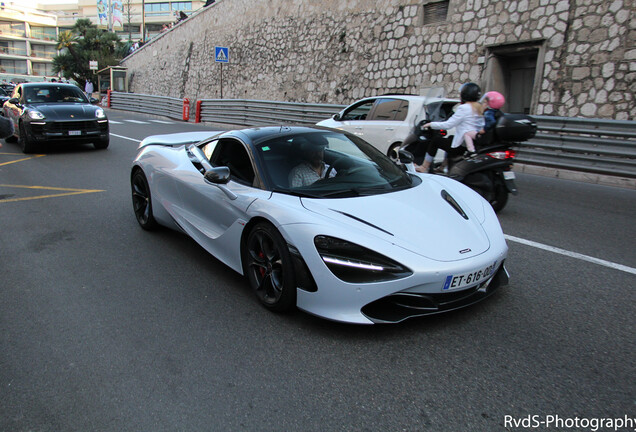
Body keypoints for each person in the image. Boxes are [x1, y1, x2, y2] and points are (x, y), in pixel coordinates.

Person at [415, 82, 485, 173]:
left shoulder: (464, 108)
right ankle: (443, 166)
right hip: (473, 143)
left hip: (462, 146)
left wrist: (431, 124)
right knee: (450, 138)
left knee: (436, 141)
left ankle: (424, 167)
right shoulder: (479, 108)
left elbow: (448, 125)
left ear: (464, 95)